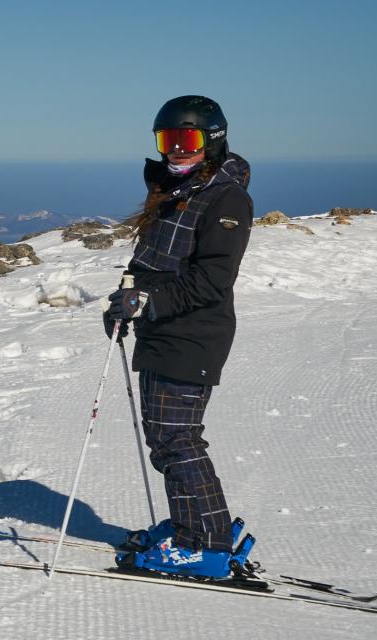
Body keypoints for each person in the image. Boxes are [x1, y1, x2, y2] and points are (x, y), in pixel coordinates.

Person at [102, 95, 254, 579]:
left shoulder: (225, 197)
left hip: (194, 333)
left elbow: (213, 280)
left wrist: (150, 303)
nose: (176, 151)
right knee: (165, 437)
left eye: (187, 140)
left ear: (212, 140)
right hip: (163, 329)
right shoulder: (175, 190)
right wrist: (126, 298)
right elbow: (150, 262)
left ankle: (205, 545)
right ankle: (198, 524)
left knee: (177, 439)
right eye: (168, 140)